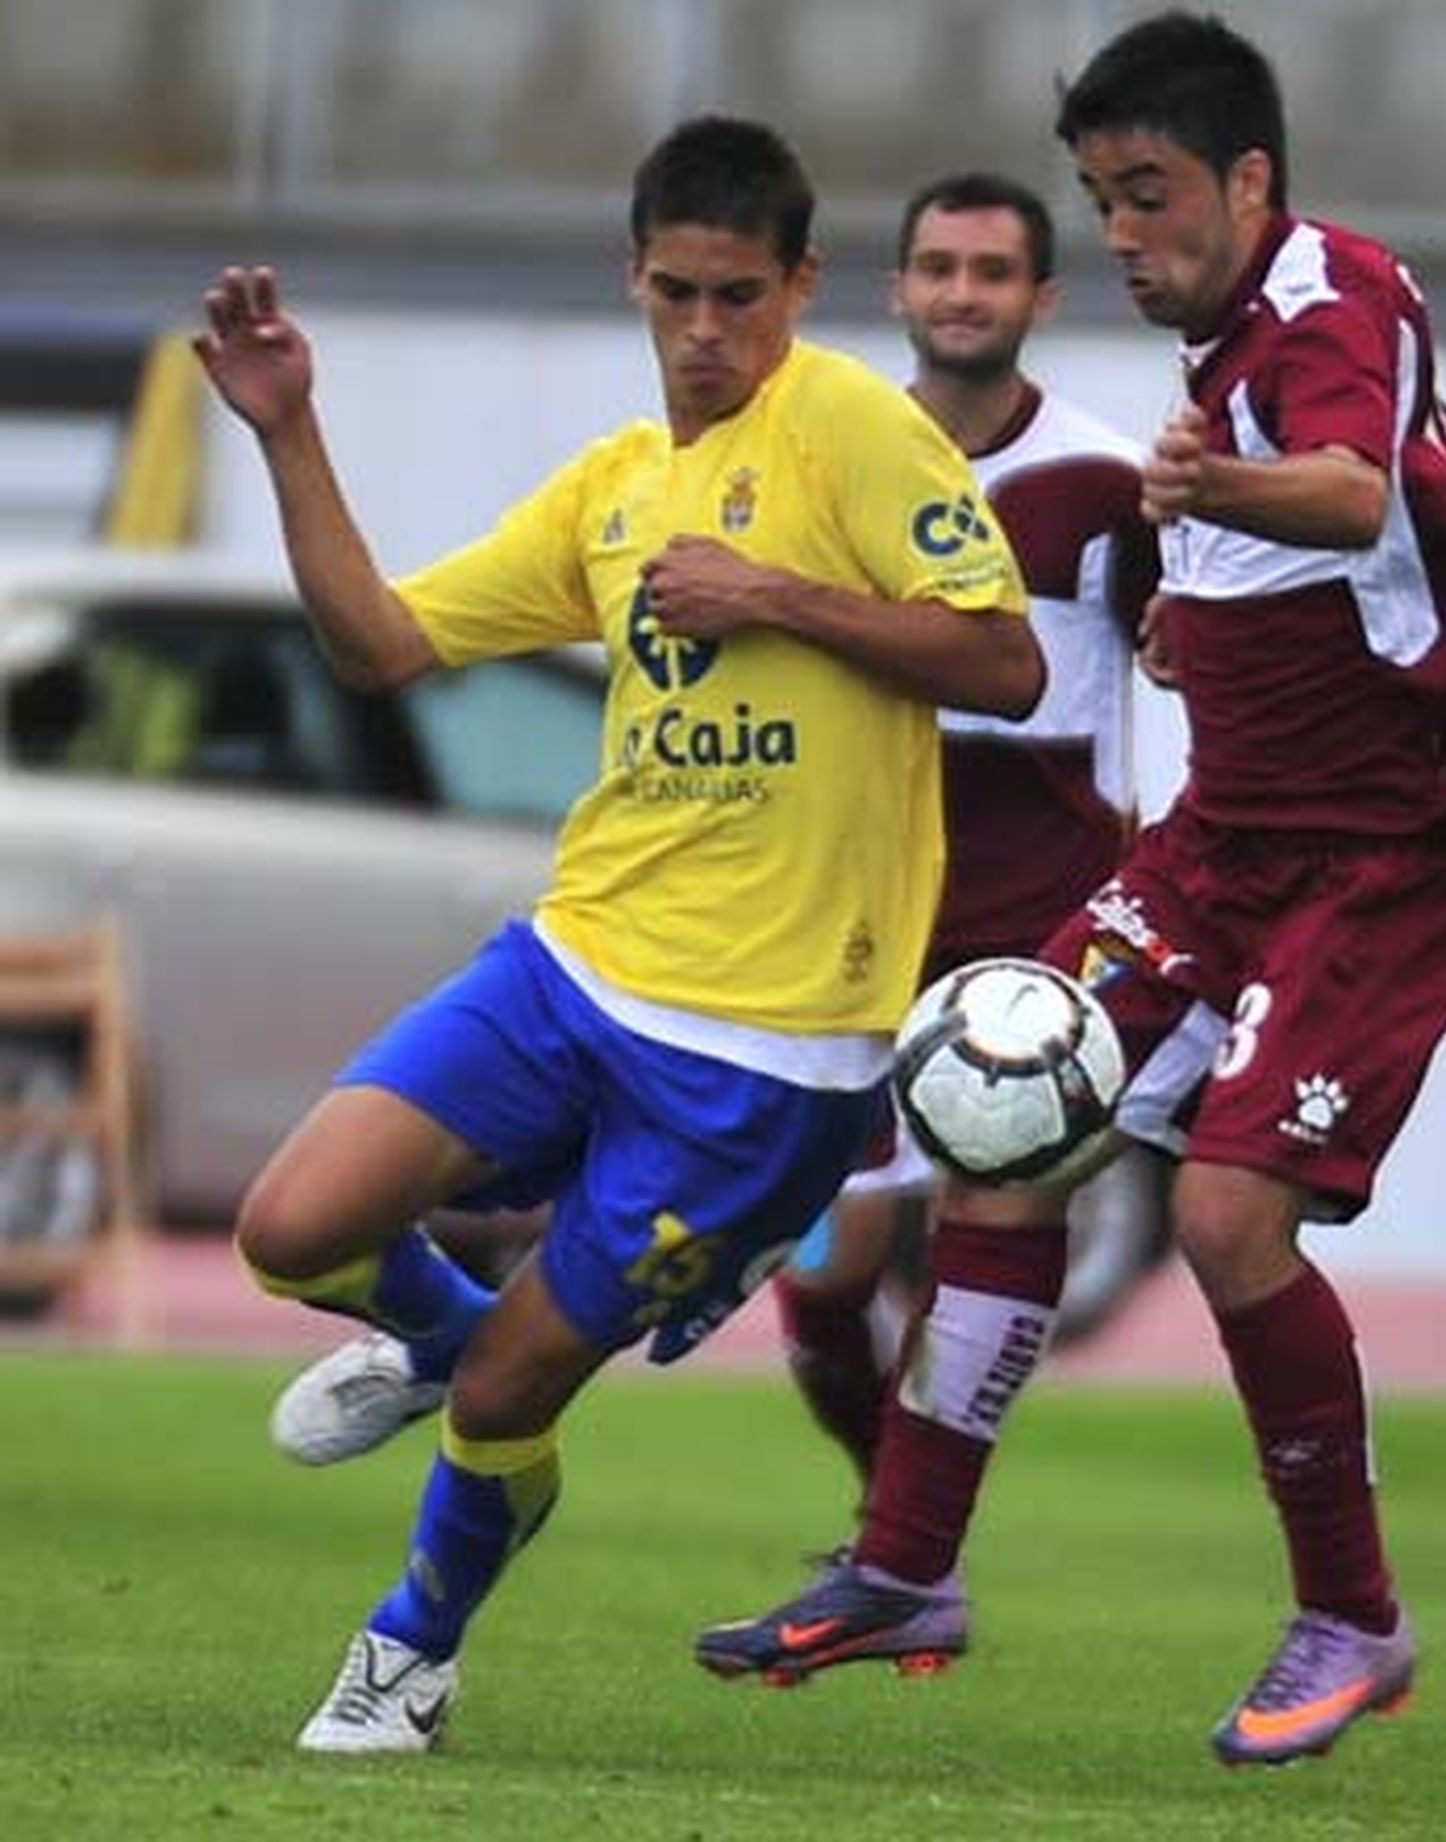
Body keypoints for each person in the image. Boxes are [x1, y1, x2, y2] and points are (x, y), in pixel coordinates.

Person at [695, 14, 1446, 1772]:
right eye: (1104, 200)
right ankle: (906, 1564)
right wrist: (1189, 609)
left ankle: (1351, 1614)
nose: (1126, 233)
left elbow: (1345, 485)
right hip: (1220, 842)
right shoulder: (1225, 343)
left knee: (1226, 1215)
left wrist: (1220, 493)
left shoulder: (1328, 296)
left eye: (1149, 195)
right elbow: (1315, 550)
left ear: (1249, 178)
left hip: (1383, 860)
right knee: (1005, 1123)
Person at [193, 113, 1041, 1755]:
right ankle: (439, 1335)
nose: (707, 330)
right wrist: (289, 430)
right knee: (291, 1227)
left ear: (801, 284)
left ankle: (409, 1653)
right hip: (577, 964)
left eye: (740, 296)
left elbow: (1003, 660)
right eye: (677, 294)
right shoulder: (618, 484)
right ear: (634, 279)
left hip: (768, 1057)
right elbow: (380, 646)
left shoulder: (852, 429)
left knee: (513, 1396)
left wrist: (774, 595)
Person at [769, 172, 1165, 1515]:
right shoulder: (835, 466)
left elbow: (1187, 658)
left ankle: (904, 1548)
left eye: (992, 271)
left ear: (1040, 298)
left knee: (975, 1260)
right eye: (938, 267)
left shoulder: (1109, 485)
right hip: (864, 937)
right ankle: (890, 1517)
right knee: (825, 1275)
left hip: (1034, 947)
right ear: (897, 288)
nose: (962, 293)